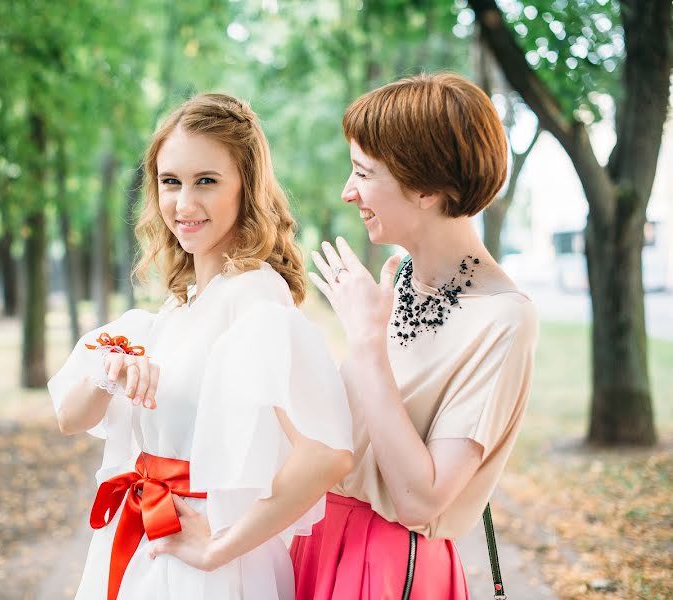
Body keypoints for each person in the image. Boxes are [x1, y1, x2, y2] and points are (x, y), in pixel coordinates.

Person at [48, 93, 355, 600]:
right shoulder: (176, 308)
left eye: (206, 182)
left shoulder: (254, 297)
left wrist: (219, 548)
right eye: (171, 182)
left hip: (206, 569)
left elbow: (327, 453)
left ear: (246, 188)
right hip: (142, 545)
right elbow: (69, 417)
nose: (183, 205)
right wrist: (110, 373)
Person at [290, 73, 539, 599]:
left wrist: (365, 343)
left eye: (363, 172)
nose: (347, 191)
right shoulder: (397, 277)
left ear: (425, 188)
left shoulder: (503, 319)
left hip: (384, 566)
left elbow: (421, 501)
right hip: (316, 539)